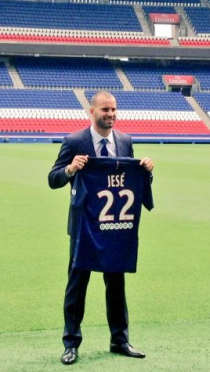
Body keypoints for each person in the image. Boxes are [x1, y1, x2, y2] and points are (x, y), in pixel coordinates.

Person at [48, 91, 154, 365]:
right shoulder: (74, 141)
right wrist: (70, 169)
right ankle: (71, 343)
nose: (111, 114)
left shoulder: (125, 141)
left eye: (114, 109)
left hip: (114, 226)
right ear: (92, 111)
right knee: (77, 285)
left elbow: (129, 180)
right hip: (84, 228)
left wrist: (146, 171)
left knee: (116, 284)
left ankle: (119, 340)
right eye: (105, 109)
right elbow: (53, 178)